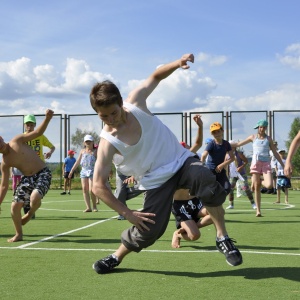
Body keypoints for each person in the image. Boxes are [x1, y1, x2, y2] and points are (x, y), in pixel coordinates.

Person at [90, 53, 242, 274]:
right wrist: (128, 213)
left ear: (121, 103)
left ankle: (222, 237)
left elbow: (155, 76)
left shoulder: (136, 104)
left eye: (113, 113)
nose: (110, 120)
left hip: (180, 161)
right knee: (148, 231)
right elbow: (98, 185)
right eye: (103, 117)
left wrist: (178, 64)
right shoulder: (108, 142)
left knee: (204, 178)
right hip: (155, 181)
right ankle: (115, 257)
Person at [0, 109, 54, 242]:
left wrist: (47, 118)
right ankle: (19, 234)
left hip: (43, 173)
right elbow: (4, 185)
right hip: (27, 178)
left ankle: (30, 214)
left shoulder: (17, 140)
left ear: (1, 138)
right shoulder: (5, 163)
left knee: (35, 197)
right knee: (14, 206)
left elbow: (37, 133)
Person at [171, 114, 213, 248]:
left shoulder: (188, 158)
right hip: (180, 205)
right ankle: (178, 233)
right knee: (194, 236)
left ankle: (190, 227)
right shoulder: (171, 163)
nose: (187, 149)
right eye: (184, 148)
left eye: (187, 148)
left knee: (217, 213)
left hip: (196, 201)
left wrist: (200, 126)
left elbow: (198, 143)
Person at [234, 120, 284, 217]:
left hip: (266, 164)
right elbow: (238, 144)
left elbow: (275, 153)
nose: (262, 129)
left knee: (269, 185)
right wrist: (225, 144)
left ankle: (257, 181)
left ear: (266, 128)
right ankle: (258, 210)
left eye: (264, 127)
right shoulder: (253, 137)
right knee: (256, 188)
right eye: (260, 127)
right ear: (258, 128)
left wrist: (283, 164)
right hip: (256, 163)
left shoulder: (268, 139)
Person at [23, 114, 55, 217]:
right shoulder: (22, 138)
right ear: (24, 125)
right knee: (26, 194)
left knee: (36, 193)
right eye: (27, 124)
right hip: (27, 169)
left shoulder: (40, 136)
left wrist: (50, 152)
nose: (29, 127)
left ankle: (32, 210)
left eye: (31, 124)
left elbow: (52, 147)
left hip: (40, 169)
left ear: (35, 125)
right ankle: (29, 210)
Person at [201, 122, 235, 195]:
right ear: (212, 134)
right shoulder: (211, 144)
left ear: (222, 131)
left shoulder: (226, 144)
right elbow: (204, 156)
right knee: (211, 190)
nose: (217, 134)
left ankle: (217, 204)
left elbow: (232, 158)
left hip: (221, 171)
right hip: (211, 171)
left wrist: (222, 165)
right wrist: (202, 167)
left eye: (218, 131)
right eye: (214, 132)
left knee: (227, 188)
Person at [69, 135, 98, 212]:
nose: (88, 143)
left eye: (89, 141)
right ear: (84, 143)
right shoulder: (82, 151)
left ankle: (94, 206)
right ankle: (88, 207)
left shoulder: (96, 152)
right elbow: (78, 162)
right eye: (86, 141)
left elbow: (100, 162)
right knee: (84, 189)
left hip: (93, 171)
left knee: (92, 190)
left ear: (92, 142)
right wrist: (72, 171)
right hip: (84, 171)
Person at [226, 141, 256, 210]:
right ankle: (231, 204)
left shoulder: (239, 154)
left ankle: (253, 203)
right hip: (232, 175)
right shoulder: (227, 155)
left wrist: (241, 167)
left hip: (241, 174)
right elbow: (226, 165)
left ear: (235, 146)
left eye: (231, 145)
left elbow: (246, 161)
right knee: (230, 189)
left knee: (245, 188)